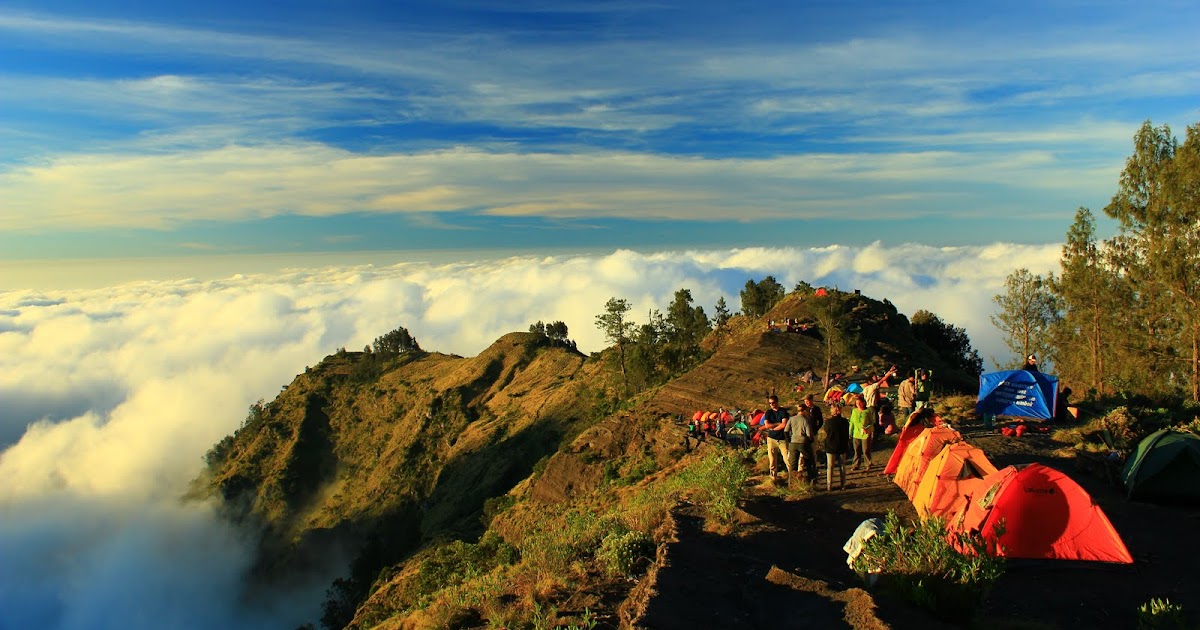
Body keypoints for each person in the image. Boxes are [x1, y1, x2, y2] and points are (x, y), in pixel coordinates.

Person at [789, 394, 823, 483]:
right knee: (801, 455)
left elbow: (821, 421)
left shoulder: (816, 410)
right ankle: (800, 471)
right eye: (805, 401)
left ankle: (812, 470)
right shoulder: (802, 411)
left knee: (812, 452)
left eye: (808, 401)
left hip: (813, 433)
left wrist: (816, 429)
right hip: (802, 436)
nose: (807, 402)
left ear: (811, 400)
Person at [758, 394, 792, 482]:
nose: (771, 405)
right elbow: (767, 425)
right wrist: (778, 424)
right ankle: (773, 477)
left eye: (773, 403)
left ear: (777, 402)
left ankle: (792, 475)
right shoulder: (768, 412)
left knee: (787, 458)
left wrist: (774, 428)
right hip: (771, 439)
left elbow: (784, 424)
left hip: (782, 439)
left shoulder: (783, 411)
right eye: (770, 403)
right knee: (772, 459)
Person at [824, 402, 850, 490]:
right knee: (842, 466)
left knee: (830, 467)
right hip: (842, 445)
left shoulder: (828, 422)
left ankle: (829, 485)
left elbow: (826, 432)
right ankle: (843, 484)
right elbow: (847, 433)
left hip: (830, 446)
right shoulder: (845, 421)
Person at [849, 397, 873, 471]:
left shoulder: (867, 411)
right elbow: (852, 422)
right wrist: (850, 433)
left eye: (860, 403)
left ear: (863, 403)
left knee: (865, 450)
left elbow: (871, 423)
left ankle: (868, 464)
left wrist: (867, 428)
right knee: (856, 450)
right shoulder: (854, 411)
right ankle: (856, 464)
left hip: (865, 434)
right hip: (856, 433)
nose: (858, 405)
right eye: (857, 403)